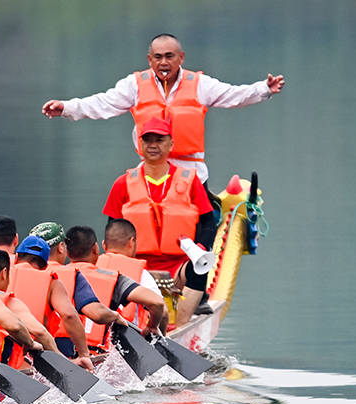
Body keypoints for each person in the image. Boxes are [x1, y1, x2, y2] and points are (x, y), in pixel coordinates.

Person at [41, 33, 284, 185]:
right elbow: (103, 103)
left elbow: (234, 95)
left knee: (202, 223)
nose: (163, 62)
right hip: (150, 169)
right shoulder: (134, 84)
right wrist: (66, 107)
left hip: (192, 171)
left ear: (181, 58)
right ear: (149, 59)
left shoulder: (200, 84)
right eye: (158, 57)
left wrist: (264, 88)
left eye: (169, 56)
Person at [103, 117, 217, 314]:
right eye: (148, 140)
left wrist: (197, 250)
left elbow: (208, 223)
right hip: (137, 265)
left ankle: (180, 329)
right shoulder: (122, 183)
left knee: (199, 270)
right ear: (140, 145)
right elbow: (112, 229)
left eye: (159, 140)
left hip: (179, 265)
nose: (153, 145)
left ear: (171, 144)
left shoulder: (190, 180)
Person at [10, 234, 95, 370]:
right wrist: (84, 355)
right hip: (30, 364)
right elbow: (69, 315)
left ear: (17, 257)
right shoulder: (51, 281)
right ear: (45, 265)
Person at [65, 225, 167, 335]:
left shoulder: (58, 276)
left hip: (63, 345)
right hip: (115, 343)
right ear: (96, 248)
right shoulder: (115, 279)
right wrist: (152, 327)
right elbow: (161, 309)